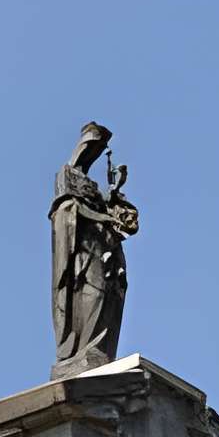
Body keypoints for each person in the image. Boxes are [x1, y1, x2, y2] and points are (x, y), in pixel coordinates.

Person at [49, 120, 140, 374]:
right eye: (93, 148)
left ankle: (99, 351)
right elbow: (68, 209)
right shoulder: (66, 174)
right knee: (93, 293)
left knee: (109, 296)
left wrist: (115, 198)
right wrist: (103, 217)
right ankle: (85, 349)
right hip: (84, 250)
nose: (95, 154)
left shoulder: (93, 186)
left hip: (105, 248)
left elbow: (120, 218)